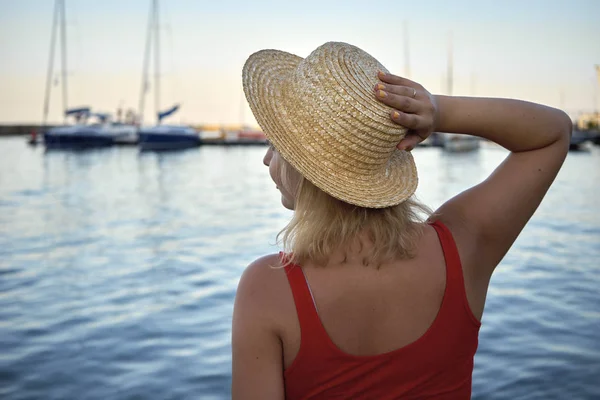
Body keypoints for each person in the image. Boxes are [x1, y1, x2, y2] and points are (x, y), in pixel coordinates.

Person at [232, 42, 571, 399]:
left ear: (305, 169)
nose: (267, 158)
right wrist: (437, 111)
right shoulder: (461, 246)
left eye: (274, 143)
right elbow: (552, 133)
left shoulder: (267, 289)